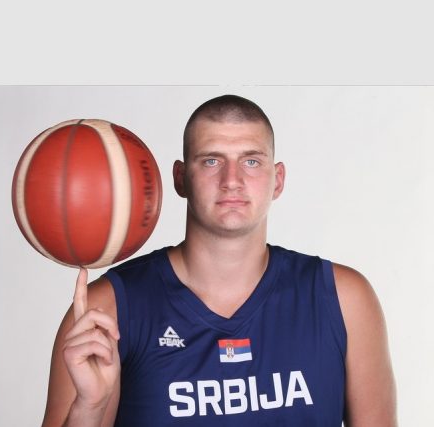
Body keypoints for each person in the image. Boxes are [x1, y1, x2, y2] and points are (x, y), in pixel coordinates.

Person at [41, 94, 397, 426]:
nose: (232, 180)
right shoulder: (106, 311)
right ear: (181, 178)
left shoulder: (344, 299)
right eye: (211, 161)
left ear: (277, 180)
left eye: (251, 161)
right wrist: (89, 407)